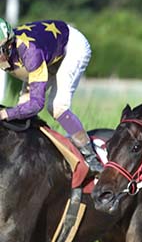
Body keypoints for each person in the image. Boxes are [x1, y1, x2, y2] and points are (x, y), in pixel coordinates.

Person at [0, 18, 103, 173]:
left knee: (56, 107)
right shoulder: (11, 48)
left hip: (71, 48)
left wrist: (4, 113)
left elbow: (36, 104)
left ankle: (91, 158)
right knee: (21, 108)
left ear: (8, 46)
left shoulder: (30, 53)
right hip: (47, 53)